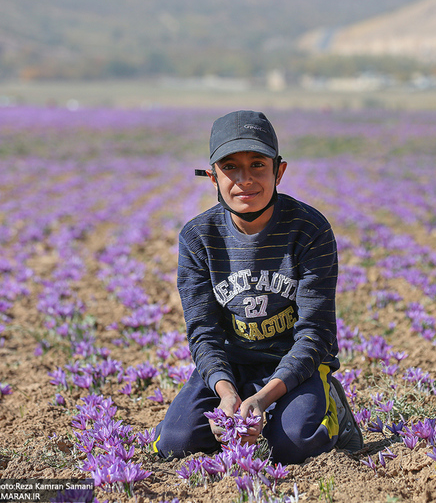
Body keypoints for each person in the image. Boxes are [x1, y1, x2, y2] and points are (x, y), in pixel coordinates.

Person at [152, 110, 363, 464]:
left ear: (279, 171)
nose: (244, 180)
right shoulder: (198, 237)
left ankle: (333, 410)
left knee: (293, 445)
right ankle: (248, 407)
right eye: (230, 167)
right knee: (174, 443)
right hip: (233, 367)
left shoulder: (309, 230)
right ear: (212, 177)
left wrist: (264, 399)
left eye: (257, 165)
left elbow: (316, 334)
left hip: (298, 366)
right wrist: (226, 393)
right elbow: (203, 332)